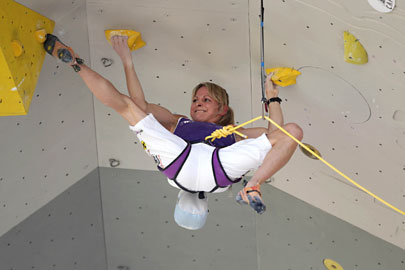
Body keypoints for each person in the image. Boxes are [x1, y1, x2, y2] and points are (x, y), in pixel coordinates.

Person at [44, 34, 303, 229]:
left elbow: (139, 107)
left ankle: (75, 63)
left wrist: (128, 62)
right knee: (293, 131)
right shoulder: (226, 132)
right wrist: (272, 97)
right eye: (196, 99)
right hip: (213, 171)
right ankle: (254, 185)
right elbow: (280, 133)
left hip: (184, 164)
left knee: (127, 107)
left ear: (222, 110)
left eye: (206, 100)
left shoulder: (202, 127)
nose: (198, 102)